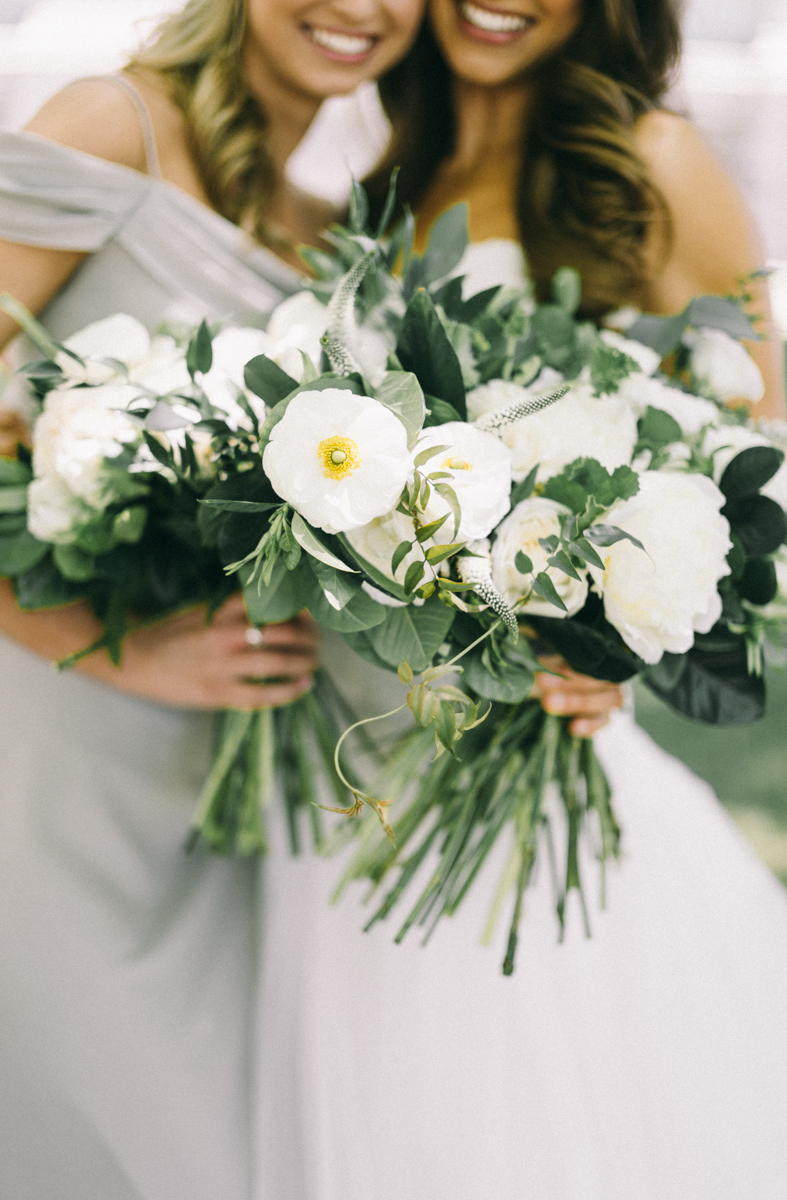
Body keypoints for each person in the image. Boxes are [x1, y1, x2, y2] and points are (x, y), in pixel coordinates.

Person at [241, 3, 787, 1199]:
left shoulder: (650, 161)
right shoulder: (385, 181)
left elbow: (758, 443)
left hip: (540, 746)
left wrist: (624, 637)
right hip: (360, 771)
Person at [0, 0, 426, 1194]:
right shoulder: (109, 125)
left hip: (229, 810)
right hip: (51, 754)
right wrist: (108, 649)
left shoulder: (334, 225)